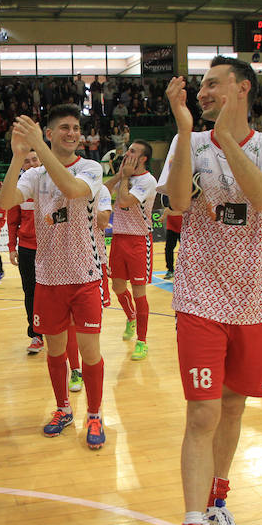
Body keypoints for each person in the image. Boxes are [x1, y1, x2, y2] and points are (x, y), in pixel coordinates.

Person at [161, 57, 262, 525]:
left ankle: (219, 502)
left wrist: (223, 139)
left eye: (212, 84)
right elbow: (176, 205)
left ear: (242, 89)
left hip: (253, 302)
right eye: (199, 86)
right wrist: (187, 132)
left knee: (234, 407)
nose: (202, 92)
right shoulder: (187, 142)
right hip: (199, 298)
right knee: (203, 412)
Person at [0, 104, 107, 450]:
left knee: (90, 352)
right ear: (49, 133)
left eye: (76, 127)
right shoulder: (34, 174)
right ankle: (63, 409)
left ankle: (95, 414)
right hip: (48, 278)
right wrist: (19, 157)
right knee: (55, 351)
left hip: (84, 274)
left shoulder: (91, 167)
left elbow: (73, 189)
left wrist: (38, 150)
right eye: (65, 127)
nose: (73, 133)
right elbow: (5, 201)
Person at [104, 140, 158, 360]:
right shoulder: (125, 176)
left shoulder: (148, 180)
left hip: (138, 241)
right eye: (128, 150)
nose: (127, 153)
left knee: (139, 292)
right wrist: (120, 175)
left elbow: (125, 201)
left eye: (133, 151)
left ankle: (142, 341)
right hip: (118, 238)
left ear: (143, 159)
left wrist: (125, 178)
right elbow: (104, 191)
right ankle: (131, 317)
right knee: (117, 287)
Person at [7, 149, 43, 354]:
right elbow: (12, 221)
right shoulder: (17, 189)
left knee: (54, 293)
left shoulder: (52, 184)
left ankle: (56, 331)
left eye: (34, 159)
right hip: (28, 249)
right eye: (26, 161)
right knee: (31, 293)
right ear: (21, 166)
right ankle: (36, 335)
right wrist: (12, 247)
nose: (31, 164)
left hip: (51, 249)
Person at [162, 208, 182, 279]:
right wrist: (163, 217)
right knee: (168, 249)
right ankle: (170, 270)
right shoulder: (169, 201)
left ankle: (185, 270)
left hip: (183, 227)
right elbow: (167, 209)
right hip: (171, 227)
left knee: (185, 250)